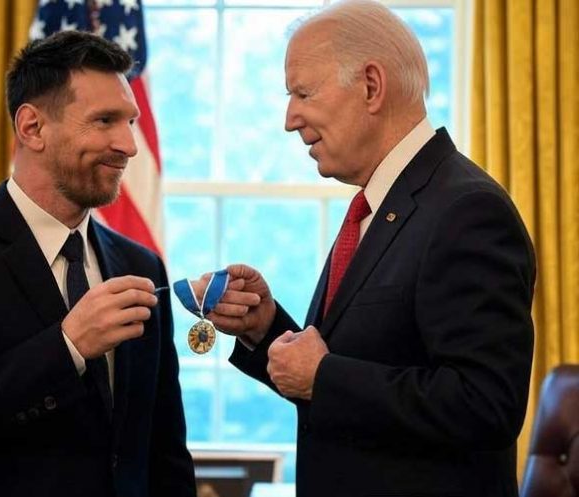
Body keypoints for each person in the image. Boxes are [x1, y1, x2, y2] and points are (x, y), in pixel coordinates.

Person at [192, 1, 535, 496]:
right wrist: (265, 329)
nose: (290, 119)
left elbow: (485, 404)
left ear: (372, 86)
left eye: (303, 93)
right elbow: (346, 367)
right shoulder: (380, 204)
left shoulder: (467, 210)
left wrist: (324, 376)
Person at [0, 31, 195, 497]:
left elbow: (164, 448)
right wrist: (67, 346)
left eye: (129, 122)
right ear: (32, 128)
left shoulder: (141, 264)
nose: (128, 145)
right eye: (105, 121)